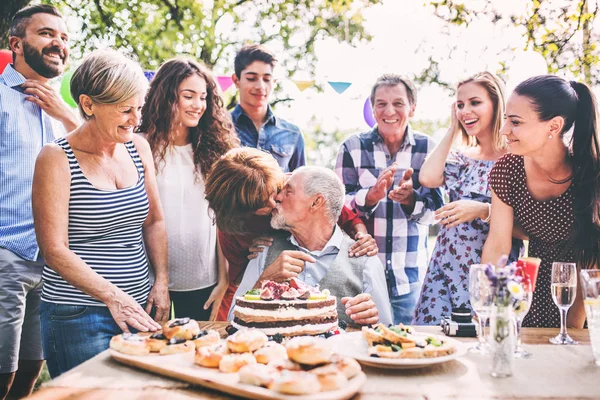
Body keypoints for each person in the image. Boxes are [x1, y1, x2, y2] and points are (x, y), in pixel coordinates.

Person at [32, 49, 170, 378]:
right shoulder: (56, 158)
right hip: (78, 314)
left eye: (139, 108)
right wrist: (112, 296)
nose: (136, 119)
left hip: (138, 309)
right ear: (89, 104)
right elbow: (53, 249)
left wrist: (162, 280)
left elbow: (154, 220)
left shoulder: (139, 147)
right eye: (125, 110)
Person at [0, 5, 79, 398]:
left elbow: (99, 156)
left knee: (32, 368)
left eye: (64, 38)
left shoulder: (62, 111)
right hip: (5, 257)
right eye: (47, 34)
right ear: (16, 43)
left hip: (48, 263)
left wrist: (66, 115)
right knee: (2, 371)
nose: (59, 44)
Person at [204, 148, 379, 320]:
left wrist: (362, 236)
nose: (275, 202)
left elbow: (336, 210)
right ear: (244, 212)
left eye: (275, 191)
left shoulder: (285, 183)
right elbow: (238, 293)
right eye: (263, 203)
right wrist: (264, 277)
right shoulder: (234, 233)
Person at [482, 75, 600, 328]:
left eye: (515, 122)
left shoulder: (592, 174)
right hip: (535, 285)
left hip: (589, 294)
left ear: (553, 126)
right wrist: (491, 307)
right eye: (506, 120)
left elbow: (593, 260)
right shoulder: (506, 171)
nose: (504, 130)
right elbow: (497, 243)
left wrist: (573, 327)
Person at [413, 72, 523, 325]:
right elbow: (427, 178)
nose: (466, 111)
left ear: (496, 104)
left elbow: (526, 224)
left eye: (475, 102)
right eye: (460, 105)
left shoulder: (515, 157)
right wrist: (453, 128)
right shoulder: (463, 157)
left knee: (480, 341)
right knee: (431, 340)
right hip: (445, 265)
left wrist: (482, 209)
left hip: (489, 267)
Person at [336, 74, 444, 324]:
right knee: (361, 351)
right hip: (360, 279)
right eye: (381, 104)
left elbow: (437, 213)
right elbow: (338, 208)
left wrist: (411, 199)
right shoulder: (352, 147)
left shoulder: (429, 149)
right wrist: (370, 198)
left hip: (409, 280)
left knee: (408, 352)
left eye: (398, 103)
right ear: (373, 109)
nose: (389, 111)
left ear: (412, 108)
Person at [137, 58, 238, 321]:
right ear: (166, 96)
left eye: (203, 97)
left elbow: (220, 219)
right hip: (148, 277)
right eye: (188, 96)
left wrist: (223, 279)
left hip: (202, 277)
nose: (198, 105)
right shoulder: (140, 145)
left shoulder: (213, 150)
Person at [229, 166, 393, 326]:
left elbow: (385, 330)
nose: (277, 197)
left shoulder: (366, 262)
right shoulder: (264, 250)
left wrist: (371, 321)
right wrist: (264, 281)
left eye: (288, 192)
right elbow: (231, 320)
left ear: (316, 202)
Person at [231, 44, 305, 172]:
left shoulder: (293, 134)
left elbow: (301, 187)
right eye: (251, 78)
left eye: (266, 79)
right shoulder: (219, 127)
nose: (260, 86)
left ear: (274, 82)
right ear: (236, 80)